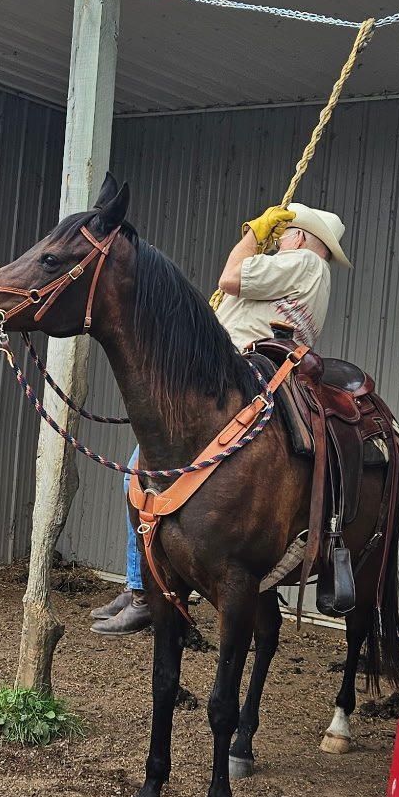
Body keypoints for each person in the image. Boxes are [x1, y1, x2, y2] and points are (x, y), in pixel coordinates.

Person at [90, 201, 351, 635]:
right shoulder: (303, 270)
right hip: (238, 370)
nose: (278, 239)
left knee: (138, 475)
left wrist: (252, 233)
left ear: (303, 238)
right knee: (141, 475)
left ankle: (144, 590)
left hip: (240, 375)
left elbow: (230, 277)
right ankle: (144, 586)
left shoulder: (302, 260)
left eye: (285, 232)